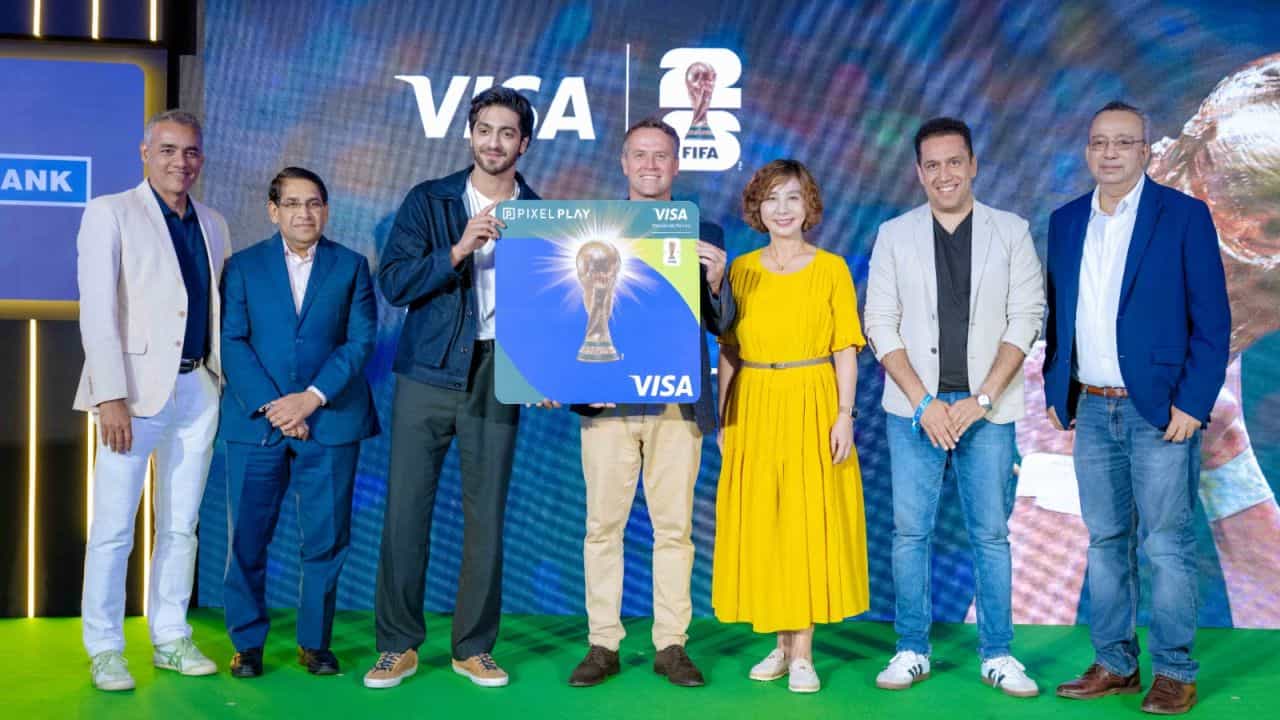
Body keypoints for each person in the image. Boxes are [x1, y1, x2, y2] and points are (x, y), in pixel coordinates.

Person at [1045, 101, 1231, 715]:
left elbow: (1213, 322)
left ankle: (1175, 671)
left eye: (1123, 142)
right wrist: (1057, 388)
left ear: (1146, 151)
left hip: (1162, 413)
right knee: (1105, 542)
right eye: (1099, 142)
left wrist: (1193, 404)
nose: (1110, 153)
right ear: (1087, 150)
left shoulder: (1183, 216)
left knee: (1166, 547)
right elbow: (1058, 311)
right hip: (1093, 411)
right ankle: (1116, 663)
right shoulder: (1066, 222)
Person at [364, 87, 540, 690]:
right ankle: (396, 646)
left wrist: (543, 371)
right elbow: (394, 283)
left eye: (507, 132)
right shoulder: (429, 200)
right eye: (485, 129)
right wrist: (459, 250)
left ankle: (474, 648)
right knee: (405, 511)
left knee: (486, 516)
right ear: (470, 135)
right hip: (428, 370)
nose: (495, 142)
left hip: (498, 374)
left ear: (523, 143)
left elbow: (554, 305)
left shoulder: (540, 213)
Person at [863, 117, 1045, 697]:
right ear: (920, 173)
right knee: (910, 533)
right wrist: (924, 403)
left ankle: (998, 654)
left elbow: (1027, 317)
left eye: (954, 162)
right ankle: (911, 648)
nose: (945, 174)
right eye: (932, 165)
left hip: (987, 410)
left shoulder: (1011, 231)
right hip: (913, 411)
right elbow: (879, 322)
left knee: (990, 534)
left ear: (973, 165)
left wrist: (982, 399)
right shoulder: (894, 234)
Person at [566, 118, 734, 688]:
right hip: (607, 402)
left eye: (661, 156)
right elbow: (566, 312)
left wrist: (717, 284)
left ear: (676, 165)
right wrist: (563, 379)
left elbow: (719, 324)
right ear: (623, 163)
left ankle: (671, 644)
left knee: (675, 529)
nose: (650, 165)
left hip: (676, 404)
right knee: (602, 527)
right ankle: (602, 643)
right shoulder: (593, 232)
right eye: (640, 155)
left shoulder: (703, 231)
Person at [74, 109, 230, 691]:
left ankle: (170, 637)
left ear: (201, 159)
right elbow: (97, 310)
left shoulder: (214, 223)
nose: (179, 162)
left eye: (189, 152)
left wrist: (216, 381)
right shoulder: (109, 212)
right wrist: (110, 395)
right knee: (114, 528)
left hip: (199, 389)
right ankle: (105, 648)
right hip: (133, 395)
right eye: (167, 150)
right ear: (145, 153)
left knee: (182, 526)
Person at [712, 159, 866, 694]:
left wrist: (844, 414)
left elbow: (845, 348)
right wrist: (724, 416)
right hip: (754, 402)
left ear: (809, 206)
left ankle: (803, 654)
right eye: (772, 198)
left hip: (812, 401)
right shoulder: (739, 271)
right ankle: (780, 645)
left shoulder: (831, 269)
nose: (782, 209)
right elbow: (729, 350)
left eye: (793, 197)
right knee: (767, 525)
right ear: (758, 207)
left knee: (803, 524)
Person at [219, 167, 379, 678]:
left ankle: (315, 643)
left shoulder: (351, 266)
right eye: (292, 204)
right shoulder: (242, 266)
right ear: (273, 211)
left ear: (325, 210)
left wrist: (309, 400)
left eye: (313, 203)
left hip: (330, 420)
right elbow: (232, 340)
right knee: (247, 539)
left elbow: (360, 340)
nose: (304, 213)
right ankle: (247, 644)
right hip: (258, 424)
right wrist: (276, 408)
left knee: (326, 540)